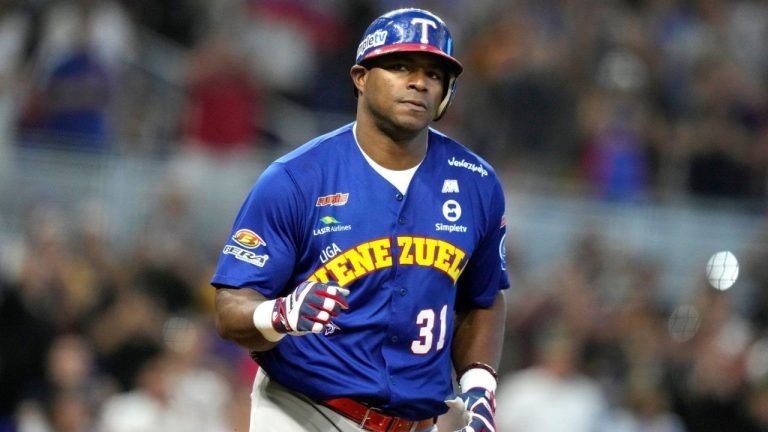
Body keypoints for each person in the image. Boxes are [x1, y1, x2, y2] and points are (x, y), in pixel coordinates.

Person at [212, 8, 509, 432]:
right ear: (360, 77)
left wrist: (479, 383)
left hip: (414, 423)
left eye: (434, 72)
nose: (419, 81)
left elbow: (484, 296)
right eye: (400, 65)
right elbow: (229, 307)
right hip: (301, 409)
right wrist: (279, 314)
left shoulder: (476, 182)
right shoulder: (297, 177)